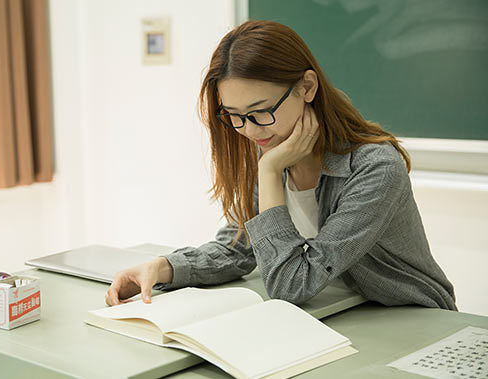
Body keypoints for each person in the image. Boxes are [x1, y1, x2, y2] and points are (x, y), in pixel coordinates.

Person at [104, 20, 457, 310]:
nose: (251, 130)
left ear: (306, 87)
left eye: (261, 112)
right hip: (343, 314)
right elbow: (239, 248)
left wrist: (271, 173)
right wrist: (163, 267)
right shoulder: (272, 149)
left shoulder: (375, 168)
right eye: (235, 116)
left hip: (411, 320)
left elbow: (291, 285)